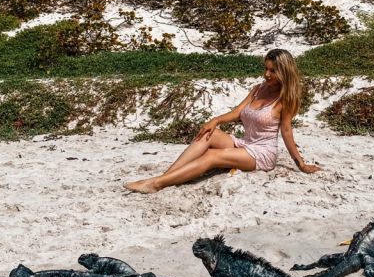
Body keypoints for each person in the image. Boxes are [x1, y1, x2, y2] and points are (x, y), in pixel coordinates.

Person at [124, 48, 321, 193]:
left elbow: (286, 132)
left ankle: (157, 184)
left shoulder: (285, 100)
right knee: (208, 134)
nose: (266, 74)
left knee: (212, 156)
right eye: (266, 69)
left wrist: (301, 164)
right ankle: (165, 177)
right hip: (245, 144)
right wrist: (215, 120)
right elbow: (237, 112)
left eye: (272, 71)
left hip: (262, 153)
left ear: (284, 73)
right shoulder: (258, 89)